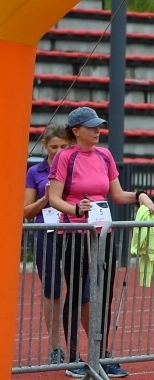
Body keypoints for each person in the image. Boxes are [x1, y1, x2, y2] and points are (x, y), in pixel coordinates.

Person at [46, 106, 154, 378]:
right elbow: (54, 198)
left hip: (103, 234)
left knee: (104, 295)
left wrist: (141, 196)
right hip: (73, 233)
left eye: (99, 126)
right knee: (77, 293)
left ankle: (103, 355)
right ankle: (73, 358)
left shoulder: (105, 155)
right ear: (76, 131)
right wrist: (75, 211)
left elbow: (117, 195)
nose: (97, 131)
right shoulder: (64, 156)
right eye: (92, 127)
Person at [23, 124, 71, 365]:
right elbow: (26, 212)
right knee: (52, 290)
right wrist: (46, 197)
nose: (59, 151)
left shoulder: (75, 167)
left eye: (64, 146)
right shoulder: (35, 172)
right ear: (45, 146)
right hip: (46, 233)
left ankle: (77, 348)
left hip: (74, 230)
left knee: (78, 290)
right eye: (54, 147)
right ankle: (54, 347)